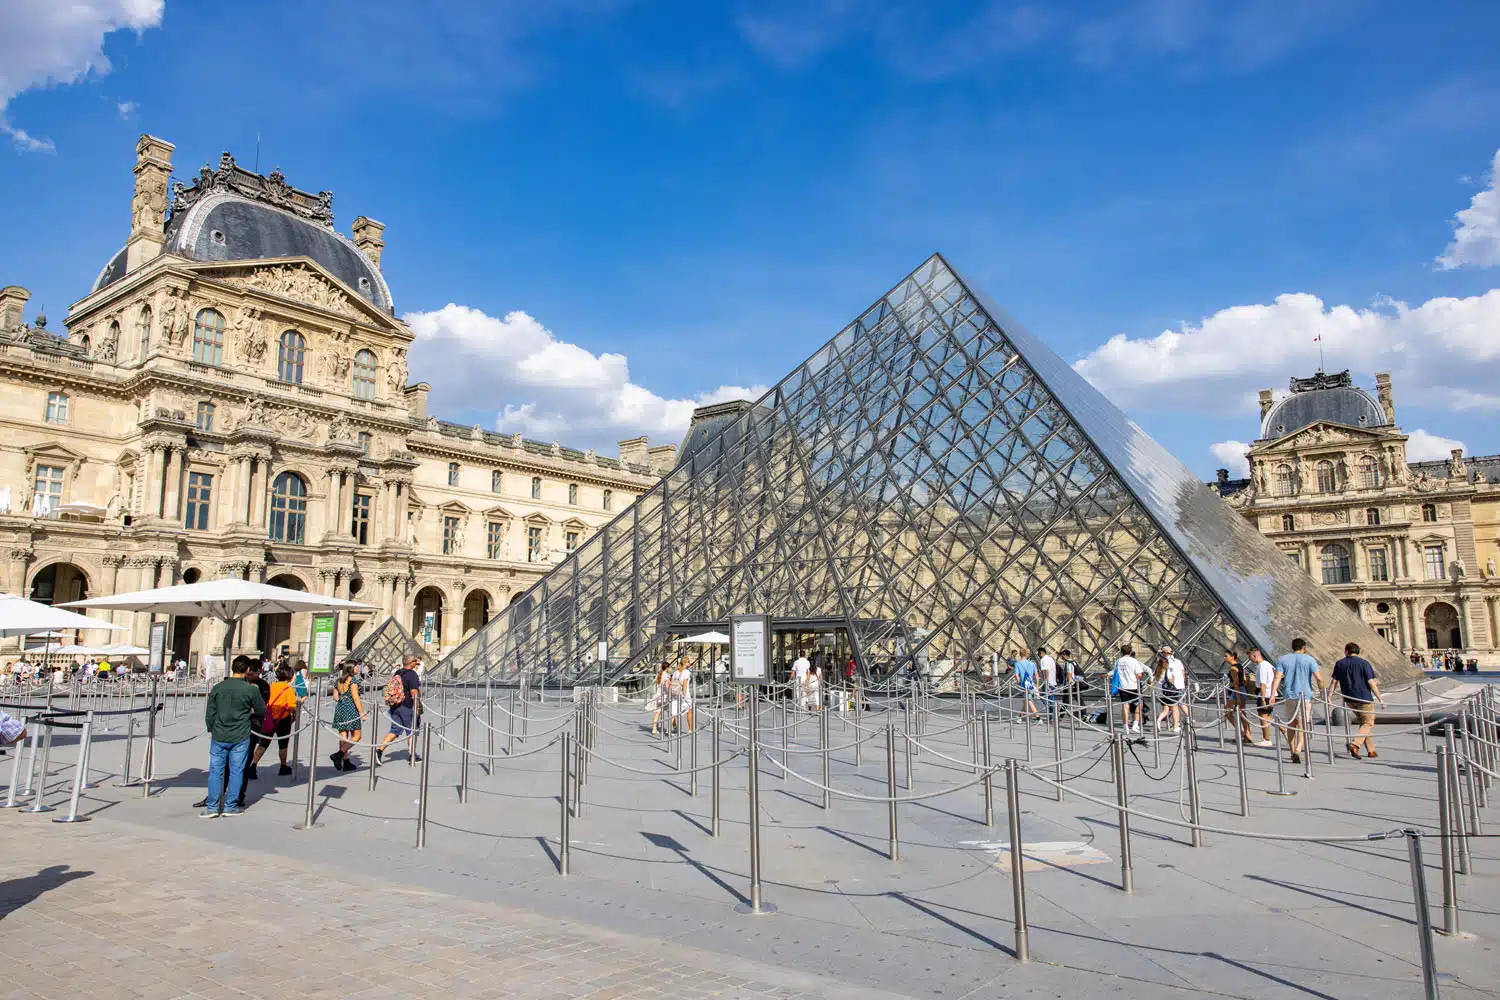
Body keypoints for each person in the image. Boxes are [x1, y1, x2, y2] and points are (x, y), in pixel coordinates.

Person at [201, 655, 265, 818]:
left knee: (215, 771)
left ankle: (212, 807)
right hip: (240, 734)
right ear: (247, 670)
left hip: (220, 733)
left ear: (232, 669)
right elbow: (261, 709)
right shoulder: (251, 689)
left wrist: (211, 729)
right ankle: (230, 806)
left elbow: (210, 713)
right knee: (237, 771)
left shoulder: (218, 687)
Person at [1331, 641, 1385, 759]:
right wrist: (1380, 698)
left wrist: (1329, 696)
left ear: (1346, 651)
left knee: (1364, 723)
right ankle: (1355, 744)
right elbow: (1371, 682)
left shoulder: (1339, 663)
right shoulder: (1364, 663)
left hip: (1349, 699)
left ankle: (1371, 750)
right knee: (1369, 722)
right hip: (1364, 698)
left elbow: (1334, 681)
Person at [1276, 638, 1323, 764]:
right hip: (1304, 696)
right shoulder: (1309, 659)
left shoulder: (1282, 659)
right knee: (1302, 726)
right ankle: (1298, 749)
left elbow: (1277, 677)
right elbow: (1319, 678)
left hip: (1289, 695)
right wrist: (1322, 691)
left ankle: (1292, 751)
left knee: (1291, 724)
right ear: (1304, 647)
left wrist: (1271, 694)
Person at [251, 664, 300, 777]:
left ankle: (253, 766)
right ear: (290, 676)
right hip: (283, 719)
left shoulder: (271, 686)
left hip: (268, 718)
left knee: (263, 743)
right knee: (283, 744)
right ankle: (283, 766)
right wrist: (295, 715)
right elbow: (292, 706)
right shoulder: (288, 689)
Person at [376, 655, 423, 764]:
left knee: (395, 730)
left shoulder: (398, 672)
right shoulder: (412, 674)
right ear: (411, 663)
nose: (416, 666)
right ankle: (412, 755)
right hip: (407, 705)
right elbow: (414, 692)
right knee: (411, 730)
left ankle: (379, 750)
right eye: (415, 663)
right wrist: (416, 708)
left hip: (395, 705)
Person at [329, 663, 365, 771]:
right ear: (350, 669)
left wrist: (342, 698)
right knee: (357, 736)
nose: (357, 668)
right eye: (356, 666)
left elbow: (335, 697)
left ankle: (345, 761)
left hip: (340, 708)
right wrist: (361, 712)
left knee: (343, 735)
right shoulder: (353, 681)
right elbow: (355, 697)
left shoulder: (338, 681)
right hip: (350, 709)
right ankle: (338, 755)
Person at [1111, 645, 1148, 736]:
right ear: (1131, 652)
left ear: (1121, 652)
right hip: (1134, 687)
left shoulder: (1118, 661)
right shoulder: (1133, 661)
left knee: (1125, 707)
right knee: (1139, 705)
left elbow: (1115, 673)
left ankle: (1125, 726)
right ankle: (1135, 724)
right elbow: (1139, 674)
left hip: (1122, 687)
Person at [1246, 647, 1278, 747]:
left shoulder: (1262, 666)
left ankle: (1267, 738)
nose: (1250, 659)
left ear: (1254, 655)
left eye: (1250, 657)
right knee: (1264, 715)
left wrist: (1263, 698)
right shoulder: (1268, 665)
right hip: (1270, 693)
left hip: (1265, 694)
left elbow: (1263, 683)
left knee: (1263, 716)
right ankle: (1280, 730)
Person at [1154, 646, 1186, 733]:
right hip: (1170, 692)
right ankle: (1176, 725)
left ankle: (1158, 720)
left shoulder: (1157, 671)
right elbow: (1172, 679)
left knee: (1165, 709)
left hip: (1160, 693)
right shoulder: (1175, 663)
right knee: (1175, 708)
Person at [1012, 649, 1040, 720]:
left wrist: (1018, 681)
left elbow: (1017, 676)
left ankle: (1038, 717)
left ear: (1020, 654)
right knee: (1027, 700)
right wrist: (1037, 685)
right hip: (1031, 683)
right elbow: (1036, 675)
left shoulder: (1017, 664)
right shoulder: (1032, 664)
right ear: (1027, 654)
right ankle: (1020, 717)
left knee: (1028, 700)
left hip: (1024, 684)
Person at [648, 662, 670, 736]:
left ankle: (654, 728)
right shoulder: (666, 676)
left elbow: (653, 682)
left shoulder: (659, 674)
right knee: (671, 712)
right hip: (664, 696)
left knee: (656, 712)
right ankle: (669, 729)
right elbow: (667, 687)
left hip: (657, 695)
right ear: (667, 668)